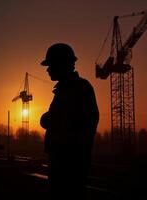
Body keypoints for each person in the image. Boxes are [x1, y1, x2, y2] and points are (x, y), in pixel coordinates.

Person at [40, 43, 99, 199]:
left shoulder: (75, 89)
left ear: (61, 64)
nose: (48, 69)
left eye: (50, 64)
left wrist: (46, 119)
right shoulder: (69, 89)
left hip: (68, 163)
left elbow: (60, 121)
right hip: (65, 161)